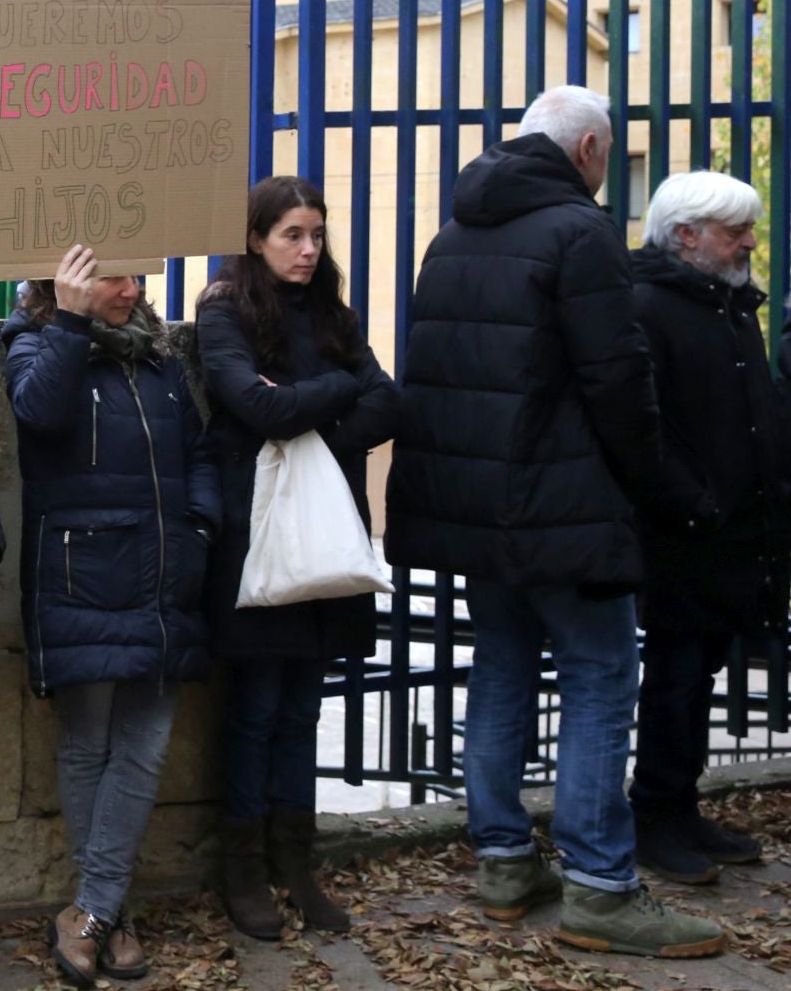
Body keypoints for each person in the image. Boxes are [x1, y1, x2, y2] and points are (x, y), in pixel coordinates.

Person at [385, 86, 725, 956]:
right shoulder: (581, 236)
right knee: (601, 678)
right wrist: (645, 483)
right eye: (605, 156)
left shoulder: (451, 234)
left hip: (478, 512)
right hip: (567, 506)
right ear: (585, 150)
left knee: (500, 669)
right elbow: (618, 380)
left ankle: (504, 861)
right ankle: (602, 887)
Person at [1, 245, 218, 985]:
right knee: (88, 745)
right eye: (113, 277)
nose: (131, 289)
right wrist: (69, 321)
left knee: (146, 748)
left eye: (136, 276)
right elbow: (37, 413)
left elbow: (199, 451)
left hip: (162, 580)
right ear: (67, 280)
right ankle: (107, 913)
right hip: (84, 582)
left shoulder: (155, 357)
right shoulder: (35, 341)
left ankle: (90, 910)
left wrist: (201, 527)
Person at [193, 177, 397, 940]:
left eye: (316, 234)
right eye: (293, 235)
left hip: (328, 533)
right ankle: (243, 871)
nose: (309, 249)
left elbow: (387, 401)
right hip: (261, 539)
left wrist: (315, 425)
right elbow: (257, 406)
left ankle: (295, 863)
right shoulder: (224, 310)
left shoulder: (334, 314)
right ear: (255, 237)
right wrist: (337, 394)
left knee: (303, 711)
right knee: (254, 712)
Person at [628, 171, 784, 882]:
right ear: (686, 235)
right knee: (675, 675)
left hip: (730, 527)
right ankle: (655, 815)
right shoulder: (650, 305)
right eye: (735, 230)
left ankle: (679, 806)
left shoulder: (729, 304)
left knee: (701, 674)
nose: (750, 241)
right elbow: (642, 426)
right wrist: (693, 501)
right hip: (683, 531)